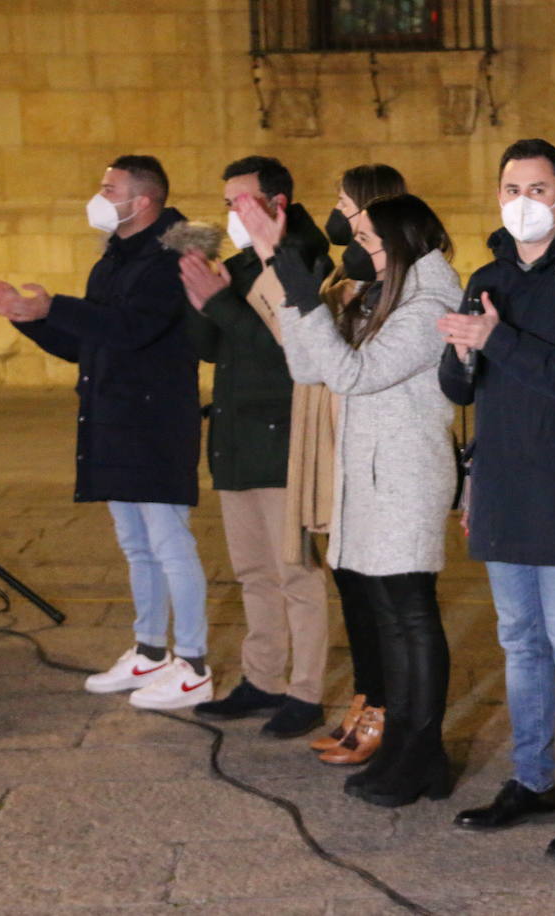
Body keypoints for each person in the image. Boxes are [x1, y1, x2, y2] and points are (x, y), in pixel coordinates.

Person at [438, 138, 555, 860]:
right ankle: (530, 779)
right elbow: (458, 389)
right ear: (497, 196)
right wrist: (463, 354)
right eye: (512, 187)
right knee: (518, 642)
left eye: (539, 188)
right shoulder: (486, 277)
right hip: (502, 484)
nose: (524, 201)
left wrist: (498, 340)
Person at [238, 190, 459, 808]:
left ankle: (420, 752)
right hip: (371, 475)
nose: (360, 251)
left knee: (411, 617)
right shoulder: (395, 292)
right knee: (392, 619)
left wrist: (298, 284)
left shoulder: (429, 301)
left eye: (369, 241)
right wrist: (285, 277)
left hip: (405, 477)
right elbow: (310, 366)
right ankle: (409, 752)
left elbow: (353, 374)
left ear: (403, 241)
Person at [0, 155, 212, 710]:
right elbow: (89, 344)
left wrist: (53, 305)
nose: (99, 197)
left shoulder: (172, 257)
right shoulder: (113, 259)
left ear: (143, 200)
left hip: (154, 420)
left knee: (170, 542)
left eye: (109, 189)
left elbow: (133, 329)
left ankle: (194, 664)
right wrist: (30, 320)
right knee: (136, 544)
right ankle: (151, 651)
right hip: (112, 416)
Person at [178, 155, 332, 739]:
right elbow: (215, 348)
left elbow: (289, 355)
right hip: (237, 437)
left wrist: (220, 303)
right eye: (227, 205)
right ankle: (262, 678)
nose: (232, 215)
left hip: (282, 436)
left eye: (241, 203)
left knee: (295, 571)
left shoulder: (306, 261)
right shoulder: (241, 264)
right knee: (252, 571)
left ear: (277, 204)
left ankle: (306, 691)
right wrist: (197, 296)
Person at [306, 163, 409, 767]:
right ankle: (367, 696)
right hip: (339, 440)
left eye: (347, 204)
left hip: (377, 453)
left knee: (385, 598)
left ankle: (387, 709)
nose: (338, 214)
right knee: (350, 582)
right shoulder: (352, 279)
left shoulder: (400, 287)